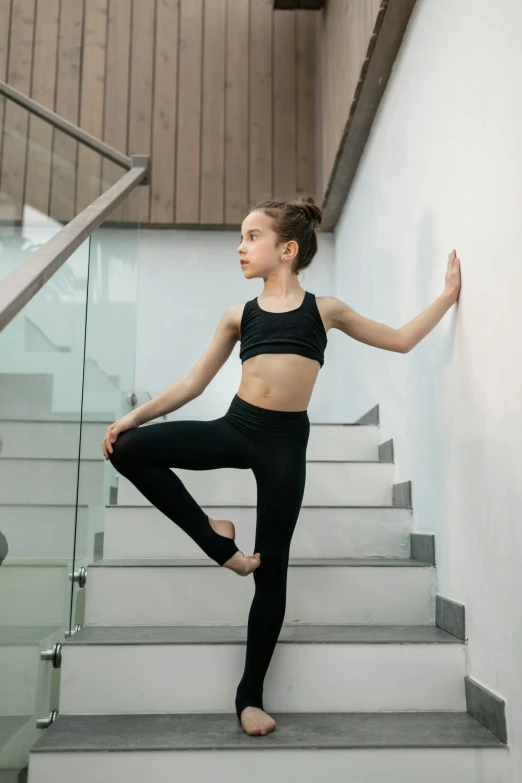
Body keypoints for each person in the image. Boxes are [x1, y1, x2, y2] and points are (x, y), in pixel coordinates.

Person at [102, 196, 461, 737]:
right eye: (241, 238)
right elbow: (191, 385)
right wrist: (131, 417)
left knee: (271, 570)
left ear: (286, 249)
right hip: (234, 429)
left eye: (252, 237)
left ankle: (250, 697)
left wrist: (448, 295)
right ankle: (216, 541)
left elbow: (402, 340)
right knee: (127, 449)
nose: (241, 248)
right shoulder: (237, 316)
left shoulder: (326, 310)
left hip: (284, 448)